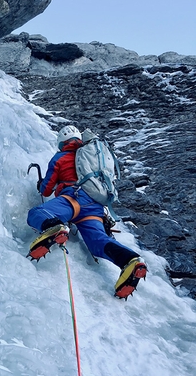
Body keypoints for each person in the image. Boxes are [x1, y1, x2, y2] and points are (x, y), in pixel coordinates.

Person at [27, 125, 147, 299]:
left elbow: (46, 190)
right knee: (98, 241)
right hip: (95, 208)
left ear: (61, 142)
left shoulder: (61, 157)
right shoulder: (93, 157)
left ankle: (55, 227)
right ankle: (130, 260)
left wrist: (42, 185)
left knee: (37, 213)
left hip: (73, 199)